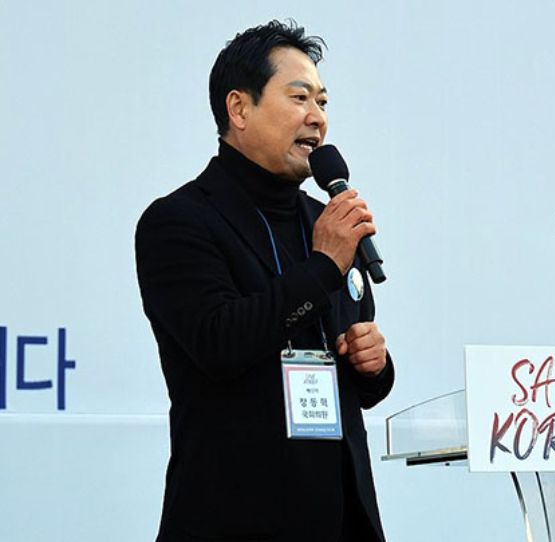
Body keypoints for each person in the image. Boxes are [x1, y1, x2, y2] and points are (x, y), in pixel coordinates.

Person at [135, 20, 394, 542]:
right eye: (299, 97)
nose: (317, 117)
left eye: (322, 101)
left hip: (343, 520)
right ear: (239, 108)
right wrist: (322, 268)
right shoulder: (179, 221)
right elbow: (219, 344)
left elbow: (349, 371)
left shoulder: (325, 221)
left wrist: (374, 366)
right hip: (234, 517)